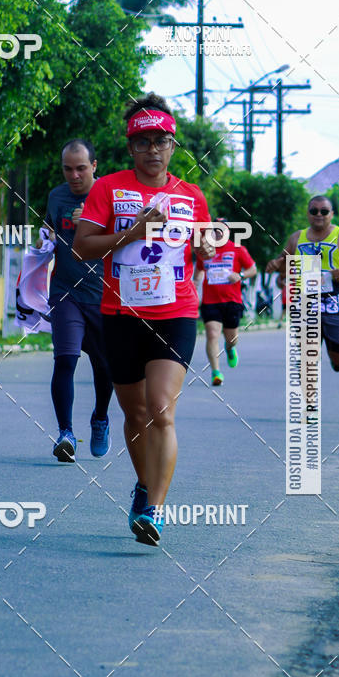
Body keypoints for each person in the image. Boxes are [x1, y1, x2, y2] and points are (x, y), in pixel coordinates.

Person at [73, 93, 214, 546]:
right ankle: (142, 484)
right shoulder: (108, 188)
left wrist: (205, 250)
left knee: (161, 410)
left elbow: (202, 250)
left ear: (173, 146)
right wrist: (132, 232)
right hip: (120, 314)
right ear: (130, 147)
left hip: (175, 313)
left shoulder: (192, 196)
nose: (153, 149)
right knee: (134, 414)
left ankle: (155, 508)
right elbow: (83, 247)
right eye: (143, 141)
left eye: (162, 141)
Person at [43, 138, 113, 462]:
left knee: (105, 366)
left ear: (94, 166)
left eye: (81, 168)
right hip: (66, 290)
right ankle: (65, 433)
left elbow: (126, 240)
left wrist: (93, 221)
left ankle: (100, 418)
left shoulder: (110, 195)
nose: (74, 175)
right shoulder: (56, 196)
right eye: (68, 169)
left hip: (104, 294)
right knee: (65, 359)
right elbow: (49, 230)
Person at [267, 195, 339, 371]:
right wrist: (277, 267)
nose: (319, 214)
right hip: (305, 304)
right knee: (308, 357)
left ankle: (334, 356)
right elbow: (283, 262)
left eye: (324, 211)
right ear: (308, 214)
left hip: (335, 306)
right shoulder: (296, 238)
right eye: (314, 211)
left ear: (331, 214)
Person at [194, 221, 257, 385]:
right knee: (212, 334)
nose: (219, 232)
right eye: (215, 229)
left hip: (232, 301)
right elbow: (199, 270)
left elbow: (253, 269)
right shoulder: (205, 250)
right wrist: (195, 283)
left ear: (228, 232)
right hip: (210, 301)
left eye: (222, 229)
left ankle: (229, 350)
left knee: (231, 339)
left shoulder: (238, 249)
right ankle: (216, 372)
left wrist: (240, 275)